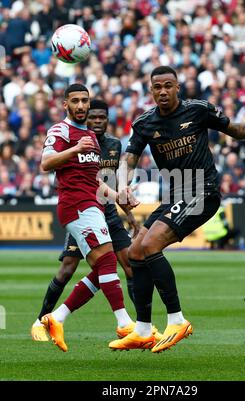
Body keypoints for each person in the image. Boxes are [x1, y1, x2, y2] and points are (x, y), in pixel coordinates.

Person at [109, 66, 245, 353]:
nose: (162, 91)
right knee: (135, 251)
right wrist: (123, 184)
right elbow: (129, 158)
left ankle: (177, 320)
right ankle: (141, 329)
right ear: (151, 91)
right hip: (177, 194)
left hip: (203, 191)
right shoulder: (144, 123)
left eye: (168, 85)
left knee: (150, 245)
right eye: (157, 87)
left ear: (178, 87)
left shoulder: (199, 110)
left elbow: (236, 131)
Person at [31, 99, 152, 344]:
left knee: (121, 265)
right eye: (91, 115)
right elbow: (48, 164)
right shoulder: (67, 134)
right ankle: (43, 319)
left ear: (107, 119)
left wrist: (126, 209)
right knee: (69, 268)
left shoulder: (109, 144)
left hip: (104, 209)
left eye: (100, 117)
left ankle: (137, 325)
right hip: (81, 208)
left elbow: (103, 180)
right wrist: (75, 149)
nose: (96, 120)